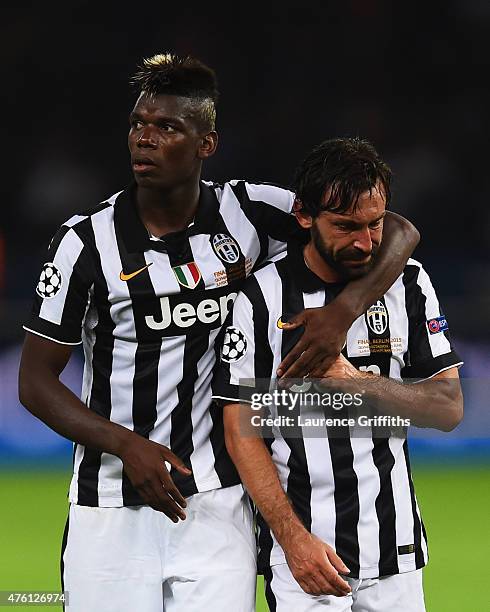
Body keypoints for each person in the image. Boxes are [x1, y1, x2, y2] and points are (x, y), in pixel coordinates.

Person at [18, 53, 418, 612]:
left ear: (206, 144)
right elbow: (34, 383)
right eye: (139, 124)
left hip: (220, 505)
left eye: (167, 127)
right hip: (109, 500)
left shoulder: (249, 212)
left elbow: (397, 229)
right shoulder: (84, 243)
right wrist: (123, 443)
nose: (145, 139)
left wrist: (342, 312)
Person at [214, 137, 463, 611]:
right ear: (304, 217)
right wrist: (292, 541)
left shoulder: (409, 283)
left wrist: (358, 382)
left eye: (374, 225)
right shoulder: (260, 299)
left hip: (396, 552)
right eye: (346, 227)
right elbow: (241, 430)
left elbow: (449, 407)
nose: (365, 243)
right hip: (306, 560)